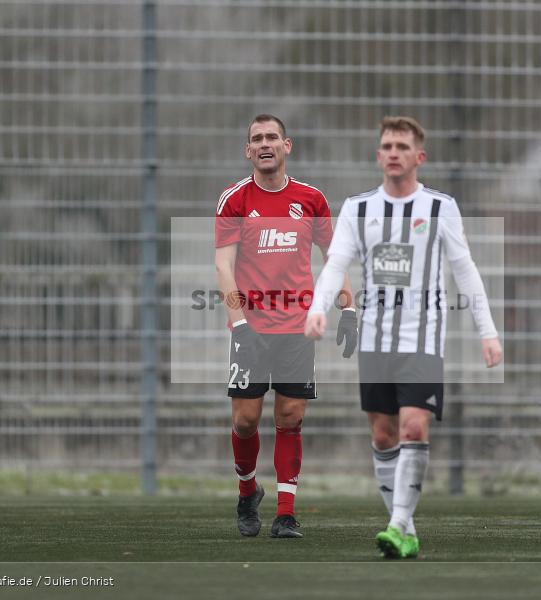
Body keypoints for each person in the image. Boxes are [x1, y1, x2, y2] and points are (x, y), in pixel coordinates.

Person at [305, 116, 503, 559]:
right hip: (375, 340)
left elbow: (465, 270)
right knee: (382, 434)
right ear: (378, 156)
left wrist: (487, 332)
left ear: (419, 156)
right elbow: (336, 264)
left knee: (414, 425)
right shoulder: (358, 209)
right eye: (387, 145)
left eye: (401, 145)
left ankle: (395, 524)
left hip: (423, 338)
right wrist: (318, 310)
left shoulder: (440, 207)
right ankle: (407, 528)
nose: (393, 152)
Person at [215, 114, 355, 539]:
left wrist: (349, 309)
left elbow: (335, 257)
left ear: (287, 145)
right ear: (247, 150)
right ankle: (246, 492)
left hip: (297, 326)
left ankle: (286, 513)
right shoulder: (235, 200)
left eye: (271, 137)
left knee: (291, 416)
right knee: (245, 420)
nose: (264, 144)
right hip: (250, 328)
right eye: (256, 139)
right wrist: (239, 323)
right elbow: (223, 265)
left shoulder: (311, 199)